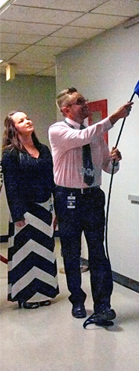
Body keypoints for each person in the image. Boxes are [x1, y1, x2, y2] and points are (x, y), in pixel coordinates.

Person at [48, 87, 132, 326]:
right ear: (66, 109)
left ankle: (103, 305)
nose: (85, 104)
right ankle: (77, 300)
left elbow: (105, 167)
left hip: (93, 196)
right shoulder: (58, 130)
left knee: (97, 252)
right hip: (69, 197)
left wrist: (114, 161)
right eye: (78, 102)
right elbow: (81, 139)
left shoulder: (95, 134)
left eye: (85, 101)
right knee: (72, 252)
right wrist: (115, 117)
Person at [2, 111, 59, 309]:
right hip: (24, 211)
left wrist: (57, 209)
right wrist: (17, 214)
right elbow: (11, 185)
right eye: (21, 120)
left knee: (44, 251)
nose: (27, 121)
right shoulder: (10, 153)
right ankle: (26, 295)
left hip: (44, 208)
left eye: (27, 118)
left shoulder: (43, 150)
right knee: (26, 253)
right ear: (13, 127)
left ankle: (45, 291)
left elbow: (51, 180)